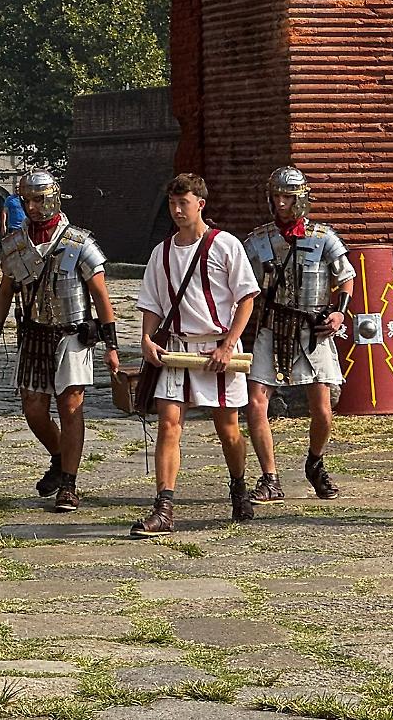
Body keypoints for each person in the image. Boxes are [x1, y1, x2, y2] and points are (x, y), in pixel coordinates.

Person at [131, 173, 260, 537]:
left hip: (218, 349)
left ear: (200, 204)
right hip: (176, 349)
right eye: (172, 203)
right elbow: (152, 303)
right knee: (169, 423)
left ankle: (238, 485)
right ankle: (164, 507)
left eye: (183, 203)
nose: (176, 210)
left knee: (228, 428)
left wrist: (229, 344)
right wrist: (145, 338)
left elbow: (246, 297)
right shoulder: (162, 252)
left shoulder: (225, 245)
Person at [0, 169, 120, 513]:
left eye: (39, 199)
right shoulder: (16, 244)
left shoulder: (79, 242)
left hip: (71, 333)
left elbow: (101, 297)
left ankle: (70, 485)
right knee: (33, 407)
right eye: (26, 199)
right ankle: (60, 459)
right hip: (33, 333)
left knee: (71, 406)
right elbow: (5, 292)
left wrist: (111, 345)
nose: (32, 206)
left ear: (54, 197)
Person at [243, 167, 355, 505]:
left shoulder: (324, 238)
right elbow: (240, 284)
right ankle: (270, 478)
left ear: (301, 198)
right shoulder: (258, 240)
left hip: (313, 329)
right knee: (256, 401)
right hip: (272, 326)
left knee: (322, 408)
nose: (280, 203)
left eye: (287, 196)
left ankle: (315, 463)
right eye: (276, 196)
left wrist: (339, 312)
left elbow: (346, 277)